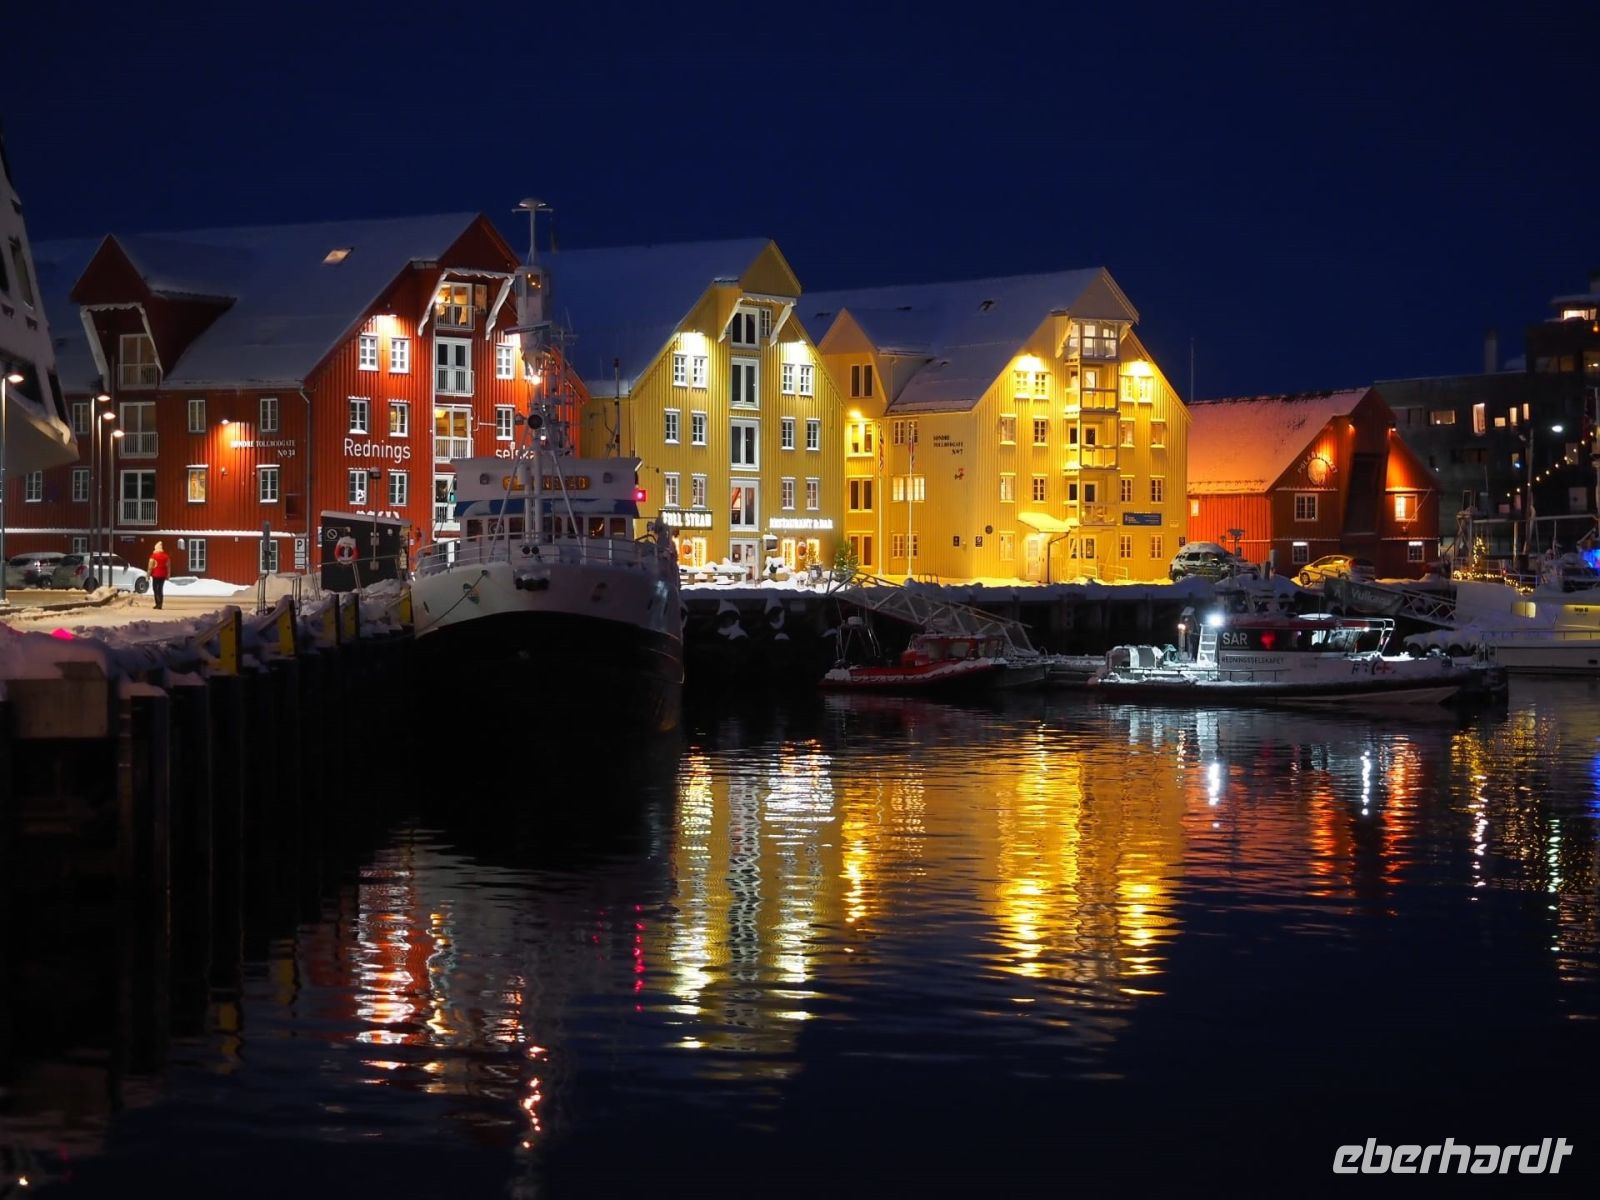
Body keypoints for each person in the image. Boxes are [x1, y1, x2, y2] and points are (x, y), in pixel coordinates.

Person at [147, 540, 171, 609]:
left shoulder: (153, 556)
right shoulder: (166, 556)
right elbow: (168, 566)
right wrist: (168, 575)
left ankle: (157, 603)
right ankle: (160, 604)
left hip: (155, 575)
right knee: (160, 589)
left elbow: (150, 567)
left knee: (155, 589)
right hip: (163, 575)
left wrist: (148, 575)